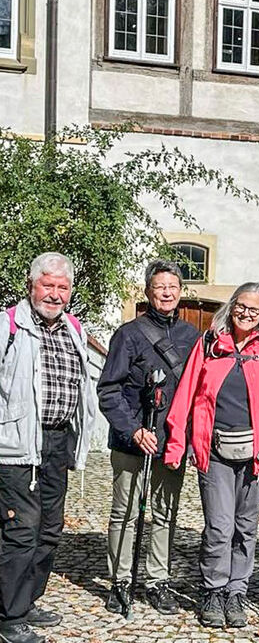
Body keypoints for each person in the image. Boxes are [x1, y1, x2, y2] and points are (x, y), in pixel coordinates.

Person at [164, 282, 259, 628]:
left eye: (255, 309)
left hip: (256, 454)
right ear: (232, 305)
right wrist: (177, 443)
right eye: (242, 306)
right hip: (215, 450)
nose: (247, 314)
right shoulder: (208, 344)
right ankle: (213, 590)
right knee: (219, 527)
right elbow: (186, 395)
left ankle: (237, 592)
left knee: (246, 527)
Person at [0, 253, 97, 643]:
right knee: (21, 530)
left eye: (62, 287)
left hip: (59, 440)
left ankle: (27, 600)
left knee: (49, 529)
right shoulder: (9, 325)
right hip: (18, 443)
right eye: (48, 285)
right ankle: (9, 617)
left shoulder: (73, 328)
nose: (54, 294)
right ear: (31, 285)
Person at [98, 260, 199, 615]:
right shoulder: (128, 334)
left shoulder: (191, 337)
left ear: (180, 291)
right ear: (148, 292)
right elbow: (109, 390)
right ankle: (120, 580)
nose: (167, 292)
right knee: (124, 512)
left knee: (165, 513)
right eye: (160, 287)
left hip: (170, 441)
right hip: (132, 439)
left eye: (173, 286)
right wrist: (133, 429)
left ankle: (158, 580)